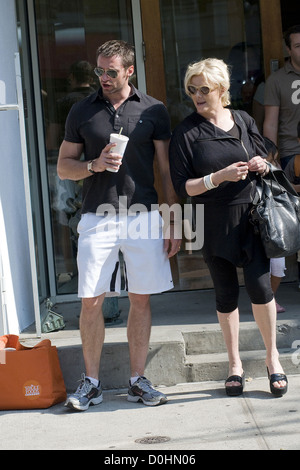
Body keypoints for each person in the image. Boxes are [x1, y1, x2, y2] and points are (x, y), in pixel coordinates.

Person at [57, 40, 181, 411]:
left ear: (130, 71)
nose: (104, 77)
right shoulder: (82, 110)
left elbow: (165, 169)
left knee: (140, 298)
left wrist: (173, 219)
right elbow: (65, 166)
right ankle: (91, 382)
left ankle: (137, 381)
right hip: (97, 215)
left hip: (143, 214)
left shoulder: (154, 109)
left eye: (111, 71)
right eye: (99, 70)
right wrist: (93, 165)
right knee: (91, 300)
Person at [169, 58, 288, 397]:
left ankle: (272, 359)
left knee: (261, 288)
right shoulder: (187, 132)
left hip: (251, 218)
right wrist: (217, 177)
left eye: (204, 89)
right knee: (225, 294)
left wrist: (262, 164)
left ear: (222, 89)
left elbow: (267, 156)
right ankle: (234, 364)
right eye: (192, 90)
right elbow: (183, 187)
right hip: (212, 222)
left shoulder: (244, 120)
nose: (197, 95)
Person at [263, 25, 300, 171]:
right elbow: (270, 124)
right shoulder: (276, 80)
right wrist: (271, 159)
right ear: (288, 50)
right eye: (298, 46)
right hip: (292, 153)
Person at [263, 137, 286, 313]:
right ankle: (265, 301)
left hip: (276, 229)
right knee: (260, 270)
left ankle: (271, 298)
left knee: (278, 267)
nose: (276, 164)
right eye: (272, 160)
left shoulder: (277, 178)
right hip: (259, 230)